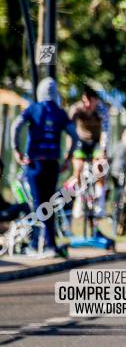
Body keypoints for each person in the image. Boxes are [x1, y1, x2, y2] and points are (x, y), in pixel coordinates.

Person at [11, 78, 77, 257]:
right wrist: (69, 157)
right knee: (49, 204)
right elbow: (74, 135)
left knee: (38, 204)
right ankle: (49, 244)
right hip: (52, 164)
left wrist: (16, 150)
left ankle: (39, 245)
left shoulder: (33, 109)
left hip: (34, 163)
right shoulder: (60, 113)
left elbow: (16, 126)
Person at [68, 85, 109, 217]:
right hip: (81, 141)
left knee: (100, 168)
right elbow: (69, 129)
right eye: (84, 101)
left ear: (96, 100)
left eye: (89, 101)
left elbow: (106, 131)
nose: (86, 105)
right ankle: (80, 200)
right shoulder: (76, 109)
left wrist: (103, 149)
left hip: (96, 142)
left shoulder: (102, 110)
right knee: (78, 169)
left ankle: (100, 202)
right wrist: (70, 149)